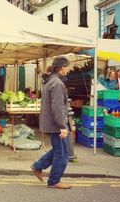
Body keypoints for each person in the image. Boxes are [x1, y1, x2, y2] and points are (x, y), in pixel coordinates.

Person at [31, 56, 72, 190]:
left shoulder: (49, 81)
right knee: (62, 153)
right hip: (56, 124)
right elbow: (57, 106)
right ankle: (54, 181)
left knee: (58, 150)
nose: (67, 69)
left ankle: (38, 166)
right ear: (61, 68)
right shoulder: (57, 83)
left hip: (50, 122)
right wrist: (62, 126)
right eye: (66, 66)